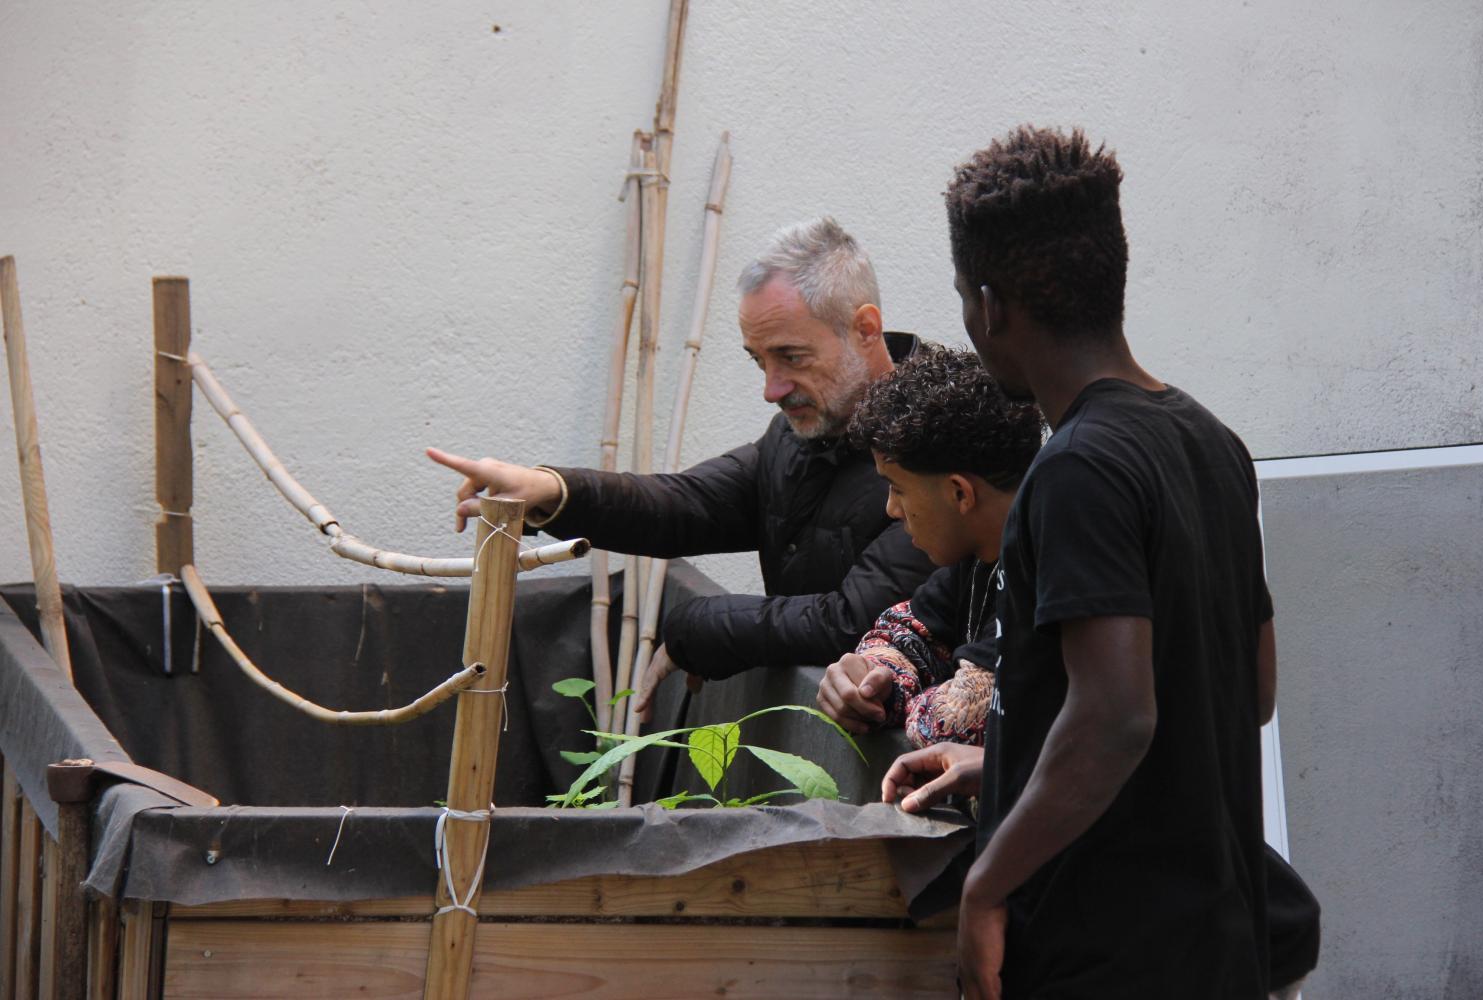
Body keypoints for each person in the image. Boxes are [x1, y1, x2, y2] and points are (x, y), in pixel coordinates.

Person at [882, 126, 1318, 999]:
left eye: (966, 295)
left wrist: (987, 883)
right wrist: (1005, 761)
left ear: (991, 306)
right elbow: (1247, 687)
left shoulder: (1077, 468)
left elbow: (1117, 716)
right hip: (1215, 944)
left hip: (1115, 955)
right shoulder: (1211, 441)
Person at [428, 217, 933, 715]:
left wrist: (697, 628)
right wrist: (550, 490)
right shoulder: (800, 434)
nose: (771, 389)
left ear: (865, 328)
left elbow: (852, 621)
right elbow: (686, 504)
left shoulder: (937, 441)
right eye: (759, 361)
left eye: (792, 357)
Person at [814, 344, 1043, 749]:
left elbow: (957, 721)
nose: (891, 509)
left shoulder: (1045, 564)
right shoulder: (978, 556)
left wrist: (890, 702)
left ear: (960, 493)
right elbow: (905, 631)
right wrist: (872, 678)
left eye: (898, 489)